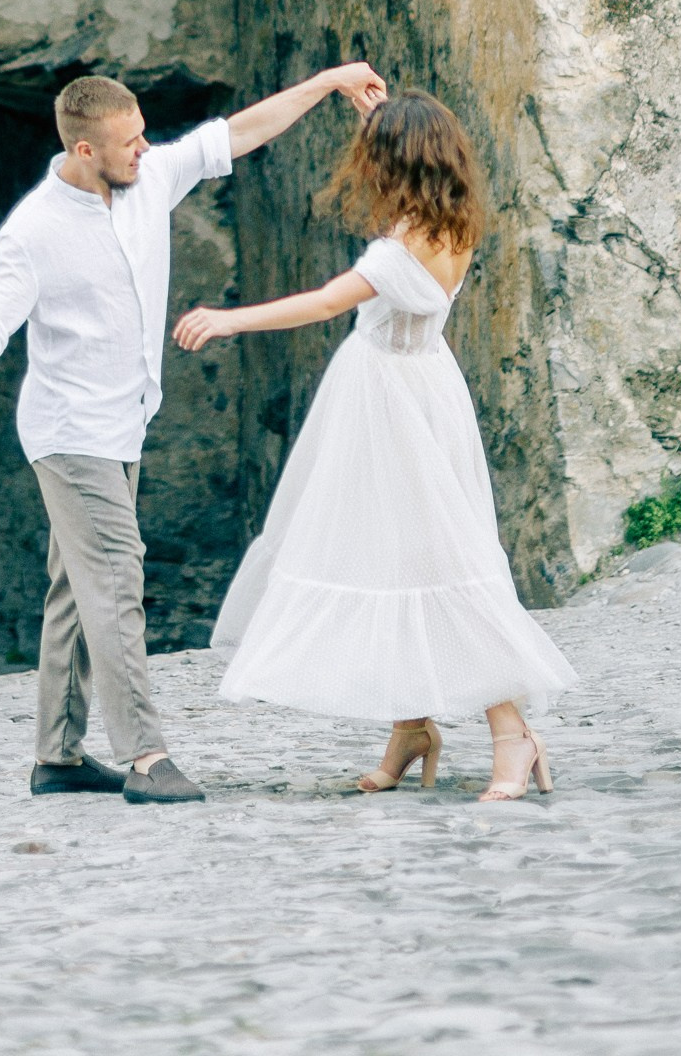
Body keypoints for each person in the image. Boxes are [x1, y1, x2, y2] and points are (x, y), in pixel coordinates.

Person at [0, 60, 385, 803]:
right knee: (114, 578)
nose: (144, 149)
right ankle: (144, 756)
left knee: (76, 589)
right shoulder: (33, 232)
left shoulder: (151, 179)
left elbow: (237, 135)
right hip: (70, 435)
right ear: (83, 151)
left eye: (143, 137)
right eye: (128, 142)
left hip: (123, 425)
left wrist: (328, 84)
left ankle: (58, 755)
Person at [173, 88, 576, 802]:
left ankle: (512, 732)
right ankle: (411, 726)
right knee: (398, 555)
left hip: (388, 400)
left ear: (398, 163)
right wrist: (352, 91)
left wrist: (230, 321)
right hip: (419, 391)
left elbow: (329, 300)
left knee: (436, 558)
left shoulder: (405, 242)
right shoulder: (452, 220)